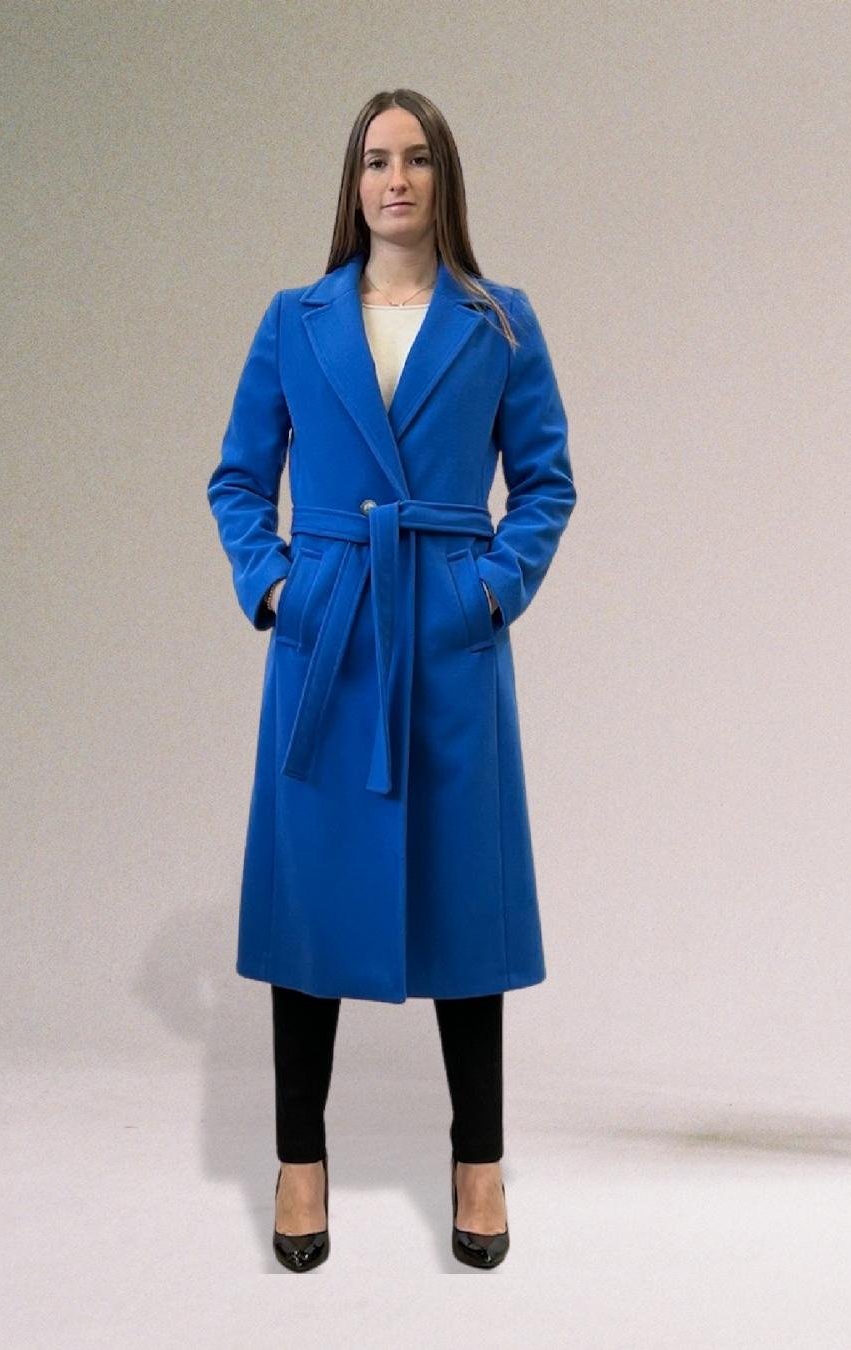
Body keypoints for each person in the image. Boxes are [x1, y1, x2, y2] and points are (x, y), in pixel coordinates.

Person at [207, 88, 576, 1271]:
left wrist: (489, 590)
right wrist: (278, 588)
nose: (396, 179)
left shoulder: (499, 321)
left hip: (448, 635)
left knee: (468, 899)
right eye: (376, 160)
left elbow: (547, 482)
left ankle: (480, 1162)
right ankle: (298, 1162)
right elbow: (238, 479)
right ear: (354, 183)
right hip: (329, 637)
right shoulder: (296, 319)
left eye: (416, 159)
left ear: (444, 178)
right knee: (310, 905)